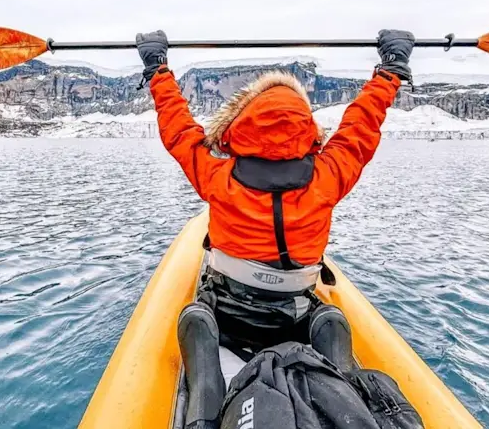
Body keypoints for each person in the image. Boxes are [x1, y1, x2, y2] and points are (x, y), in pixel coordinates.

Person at [136, 29, 415, 429]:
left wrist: (156, 68)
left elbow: (178, 127)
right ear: (306, 127)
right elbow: (361, 125)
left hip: (229, 311)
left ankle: (205, 383)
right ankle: (337, 372)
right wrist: (390, 70)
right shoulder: (328, 174)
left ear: (240, 123)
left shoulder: (217, 175)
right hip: (295, 314)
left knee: (198, 315)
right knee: (330, 318)